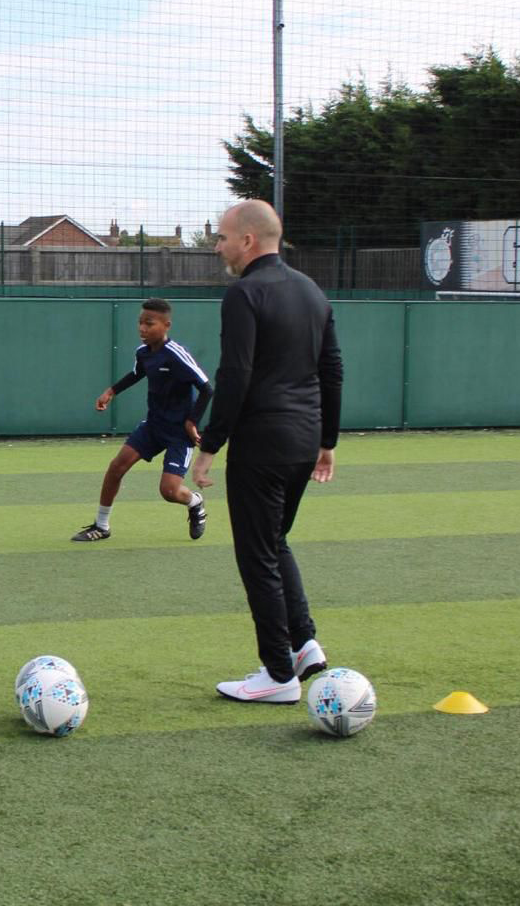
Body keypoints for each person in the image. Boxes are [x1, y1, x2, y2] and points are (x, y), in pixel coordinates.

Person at [192, 200, 343, 705]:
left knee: (257, 555)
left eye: (222, 238)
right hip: (302, 441)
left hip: (262, 443)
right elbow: (332, 370)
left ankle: (278, 674)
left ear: (248, 240)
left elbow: (236, 373)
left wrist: (210, 444)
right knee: (275, 542)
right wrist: (326, 442)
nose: (218, 247)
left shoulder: (244, 293)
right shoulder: (312, 290)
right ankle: (303, 645)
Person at [72, 297, 212, 543]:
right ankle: (102, 526)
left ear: (166, 325)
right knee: (116, 467)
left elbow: (207, 389)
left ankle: (195, 502)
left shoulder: (176, 355)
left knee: (169, 491)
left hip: (179, 433)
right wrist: (111, 391)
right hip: (154, 426)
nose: (142, 328)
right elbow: (137, 373)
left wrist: (191, 422)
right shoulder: (143, 353)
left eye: (149, 323)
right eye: (140, 323)